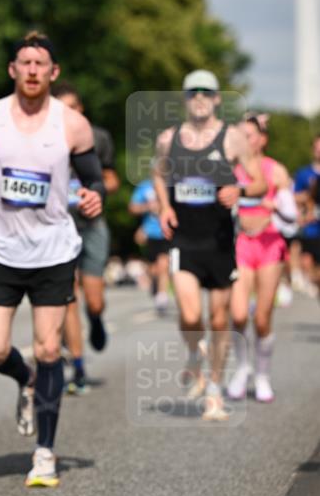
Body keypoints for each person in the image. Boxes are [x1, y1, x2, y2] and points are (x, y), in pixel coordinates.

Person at [0, 31, 104, 487]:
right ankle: (25, 380)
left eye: (41, 63)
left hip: (54, 251)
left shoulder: (72, 124)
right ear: (13, 70)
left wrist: (94, 197)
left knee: (47, 348)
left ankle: (44, 452)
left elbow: (95, 180)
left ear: (53, 72)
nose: (33, 69)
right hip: (0, 249)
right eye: (26, 62)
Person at [154, 70, 266, 423]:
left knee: (219, 320)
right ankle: (193, 355)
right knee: (189, 315)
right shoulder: (169, 138)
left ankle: (214, 390)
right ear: (185, 99)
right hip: (184, 238)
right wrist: (165, 207)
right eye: (192, 93)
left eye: (206, 92)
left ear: (217, 98)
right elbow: (158, 174)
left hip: (219, 241)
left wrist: (242, 191)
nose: (199, 97)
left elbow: (259, 181)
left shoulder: (232, 138)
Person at [52, 82, 119, 393]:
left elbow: (112, 178)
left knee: (93, 299)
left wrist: (95, 188)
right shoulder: (45, 138)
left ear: (82, 110)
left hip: (91, 223)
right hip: (59, 224)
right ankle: (77, 365)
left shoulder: (99, 137)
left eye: (73, 108)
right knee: (69, 294)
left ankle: (97, 319)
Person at [228, 114, 295, 403]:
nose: (246, 140)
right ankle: (242, 368)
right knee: (239, 314)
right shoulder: (231, 169)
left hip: (269, 245)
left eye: (251, 135)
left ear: (263, 139)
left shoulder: (276, 171)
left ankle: (263, 374)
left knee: (263, 318)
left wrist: (275, 206)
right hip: (241, 242)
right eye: (241, 134)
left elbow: (292, 218)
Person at [129, 176, 171, 315]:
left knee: (163, 263)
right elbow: (133, 208)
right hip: (150, 232)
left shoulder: (173, 184)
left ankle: (162, 295)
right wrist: (148, 207)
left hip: (167, 231)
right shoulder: (144, 186)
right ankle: (156, 286)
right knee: (153, 268)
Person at [293, 134, 320, 296]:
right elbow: (294, 197)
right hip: (310, 228)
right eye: (317, 148)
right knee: (307, 263)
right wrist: (307, 196)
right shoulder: (303, 173)